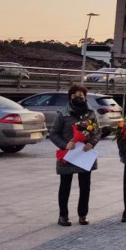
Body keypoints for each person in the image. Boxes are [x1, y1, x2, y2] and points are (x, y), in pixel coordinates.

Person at [49, 84, 101, 226]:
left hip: (85, 154)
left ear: (85, 98)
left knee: (85, 186)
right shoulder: (63, 113)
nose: (78, 98)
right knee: (65, 186)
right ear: (70, 97)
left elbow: (97, 131)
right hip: (68, 154)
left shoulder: (91, 113)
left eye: (81, 96)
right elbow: (53, 133)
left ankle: (83, 214)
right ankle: (63, 216)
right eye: (75, 96)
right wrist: (64, 145)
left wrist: (91, 143)